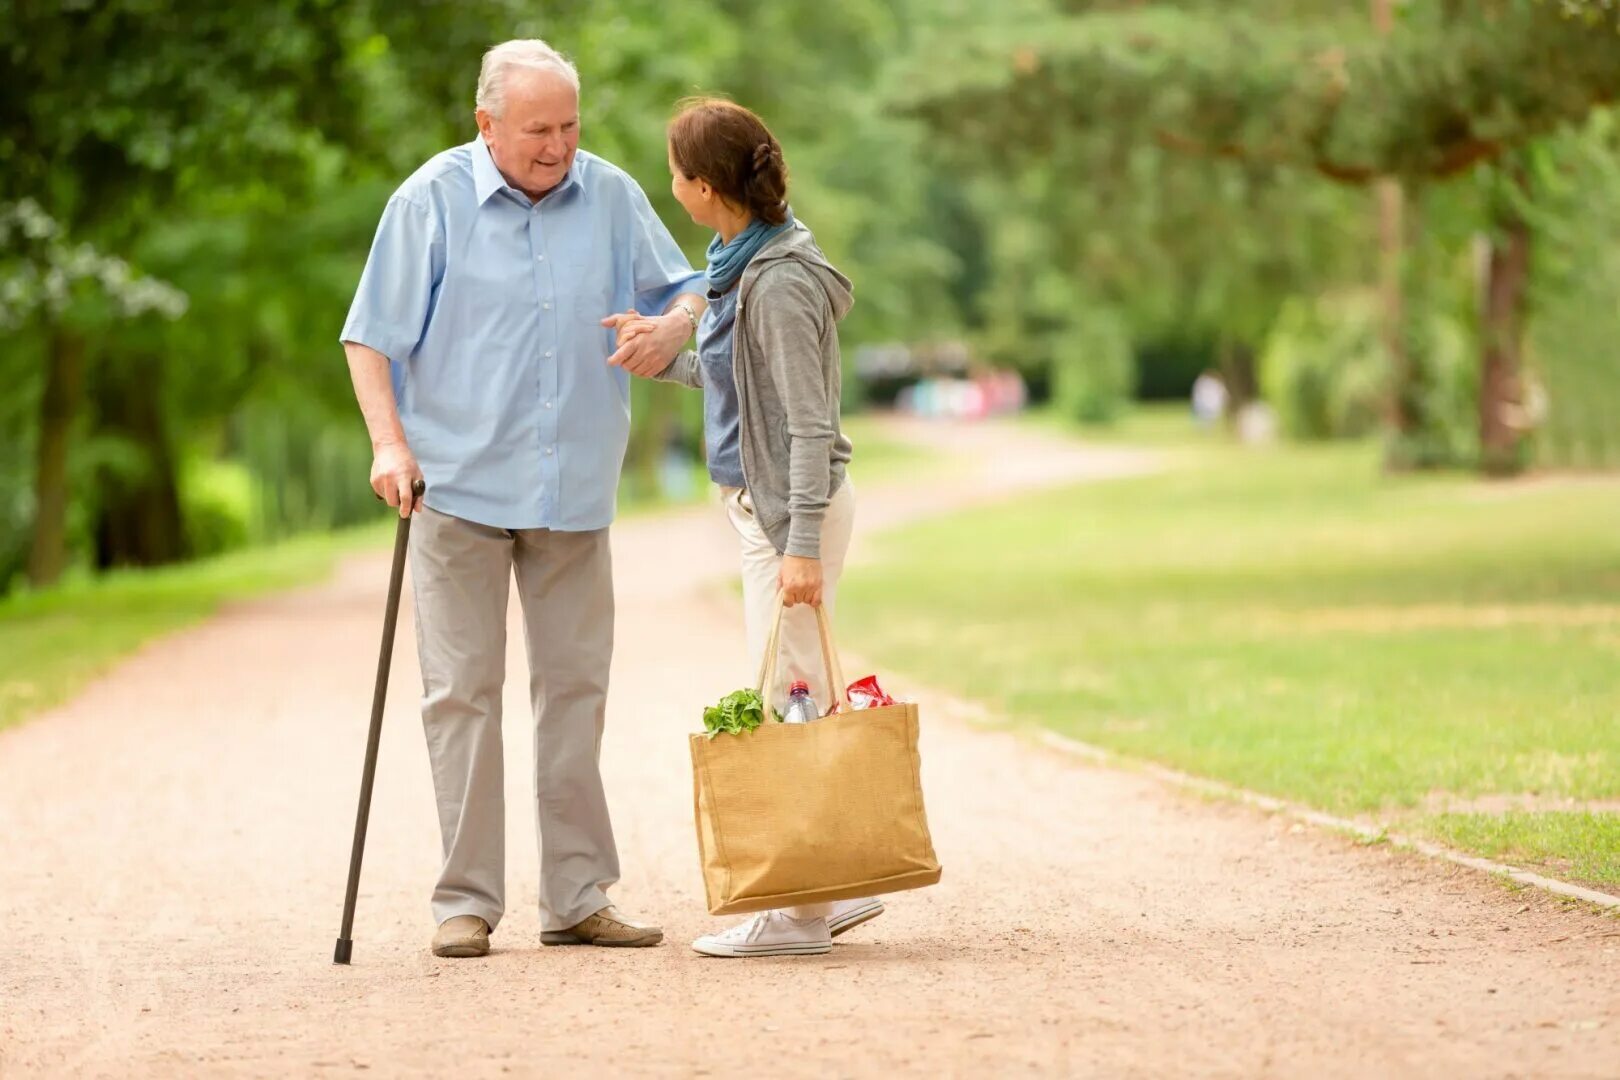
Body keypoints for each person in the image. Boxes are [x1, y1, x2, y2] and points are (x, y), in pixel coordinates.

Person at [339, 39, 707, 959]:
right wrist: (389, 443)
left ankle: (578, 897)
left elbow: (694, 287)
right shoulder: (428, 200)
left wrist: (674, 327)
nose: (557, 146)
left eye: (569, 126)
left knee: (575, 692)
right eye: (538, 129)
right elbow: (370, 337)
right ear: (487, 124)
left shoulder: (611, 195)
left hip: (573, 486)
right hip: (455, 487)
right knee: (461, 695)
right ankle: (465, 901)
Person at [607, 98, 883, 958]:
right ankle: (832, 887)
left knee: (782, 698)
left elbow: (809, 425)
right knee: (800, 692)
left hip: (789, 518)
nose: (670, 186)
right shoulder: (739, 263)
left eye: (674, 173)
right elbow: (741, 386)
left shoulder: (781, 281)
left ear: (703, 187)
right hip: (769, 514)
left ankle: (797, 913)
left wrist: (799, 544)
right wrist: (665, 359)